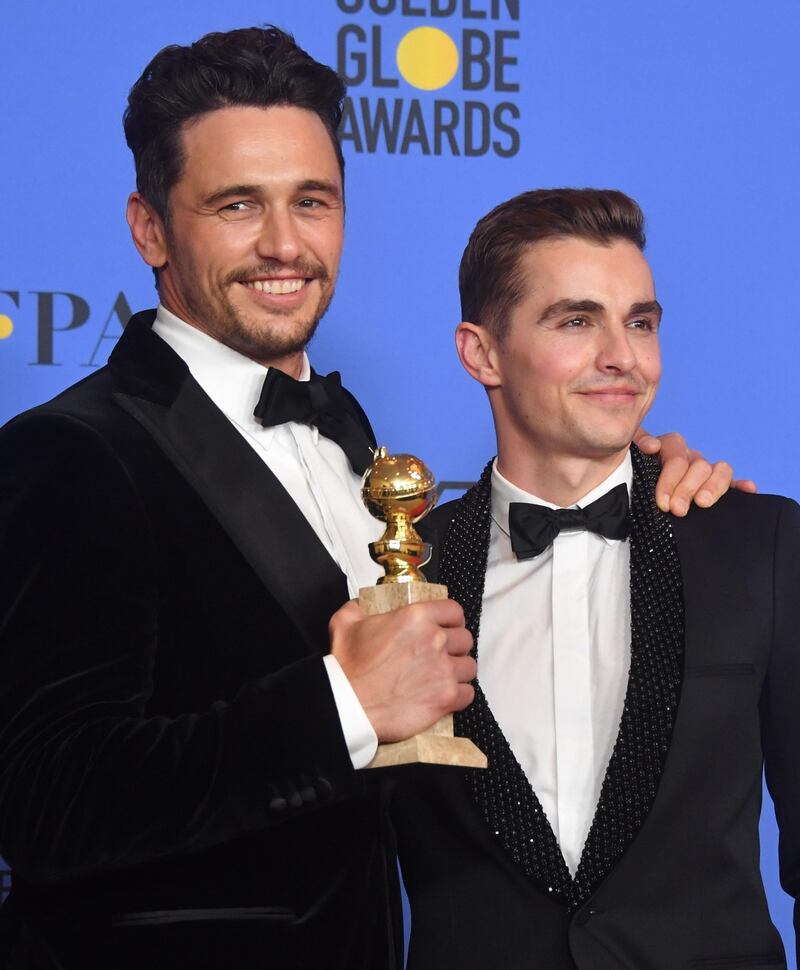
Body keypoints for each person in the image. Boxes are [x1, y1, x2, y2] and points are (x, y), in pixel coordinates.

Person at [0, 28, 743, 970]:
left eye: (312, 201)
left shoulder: (356, 436)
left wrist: (634, 468)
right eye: (236, 205)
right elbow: (45, 802)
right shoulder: (73, 453)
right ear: (150, 227)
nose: (284, 243)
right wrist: (342, 702)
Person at [391, 187, 799, 970]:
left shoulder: (761, 546)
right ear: (481, 353)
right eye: (577, 320)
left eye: (640, 322)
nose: (624, 357)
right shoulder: (407, 573)